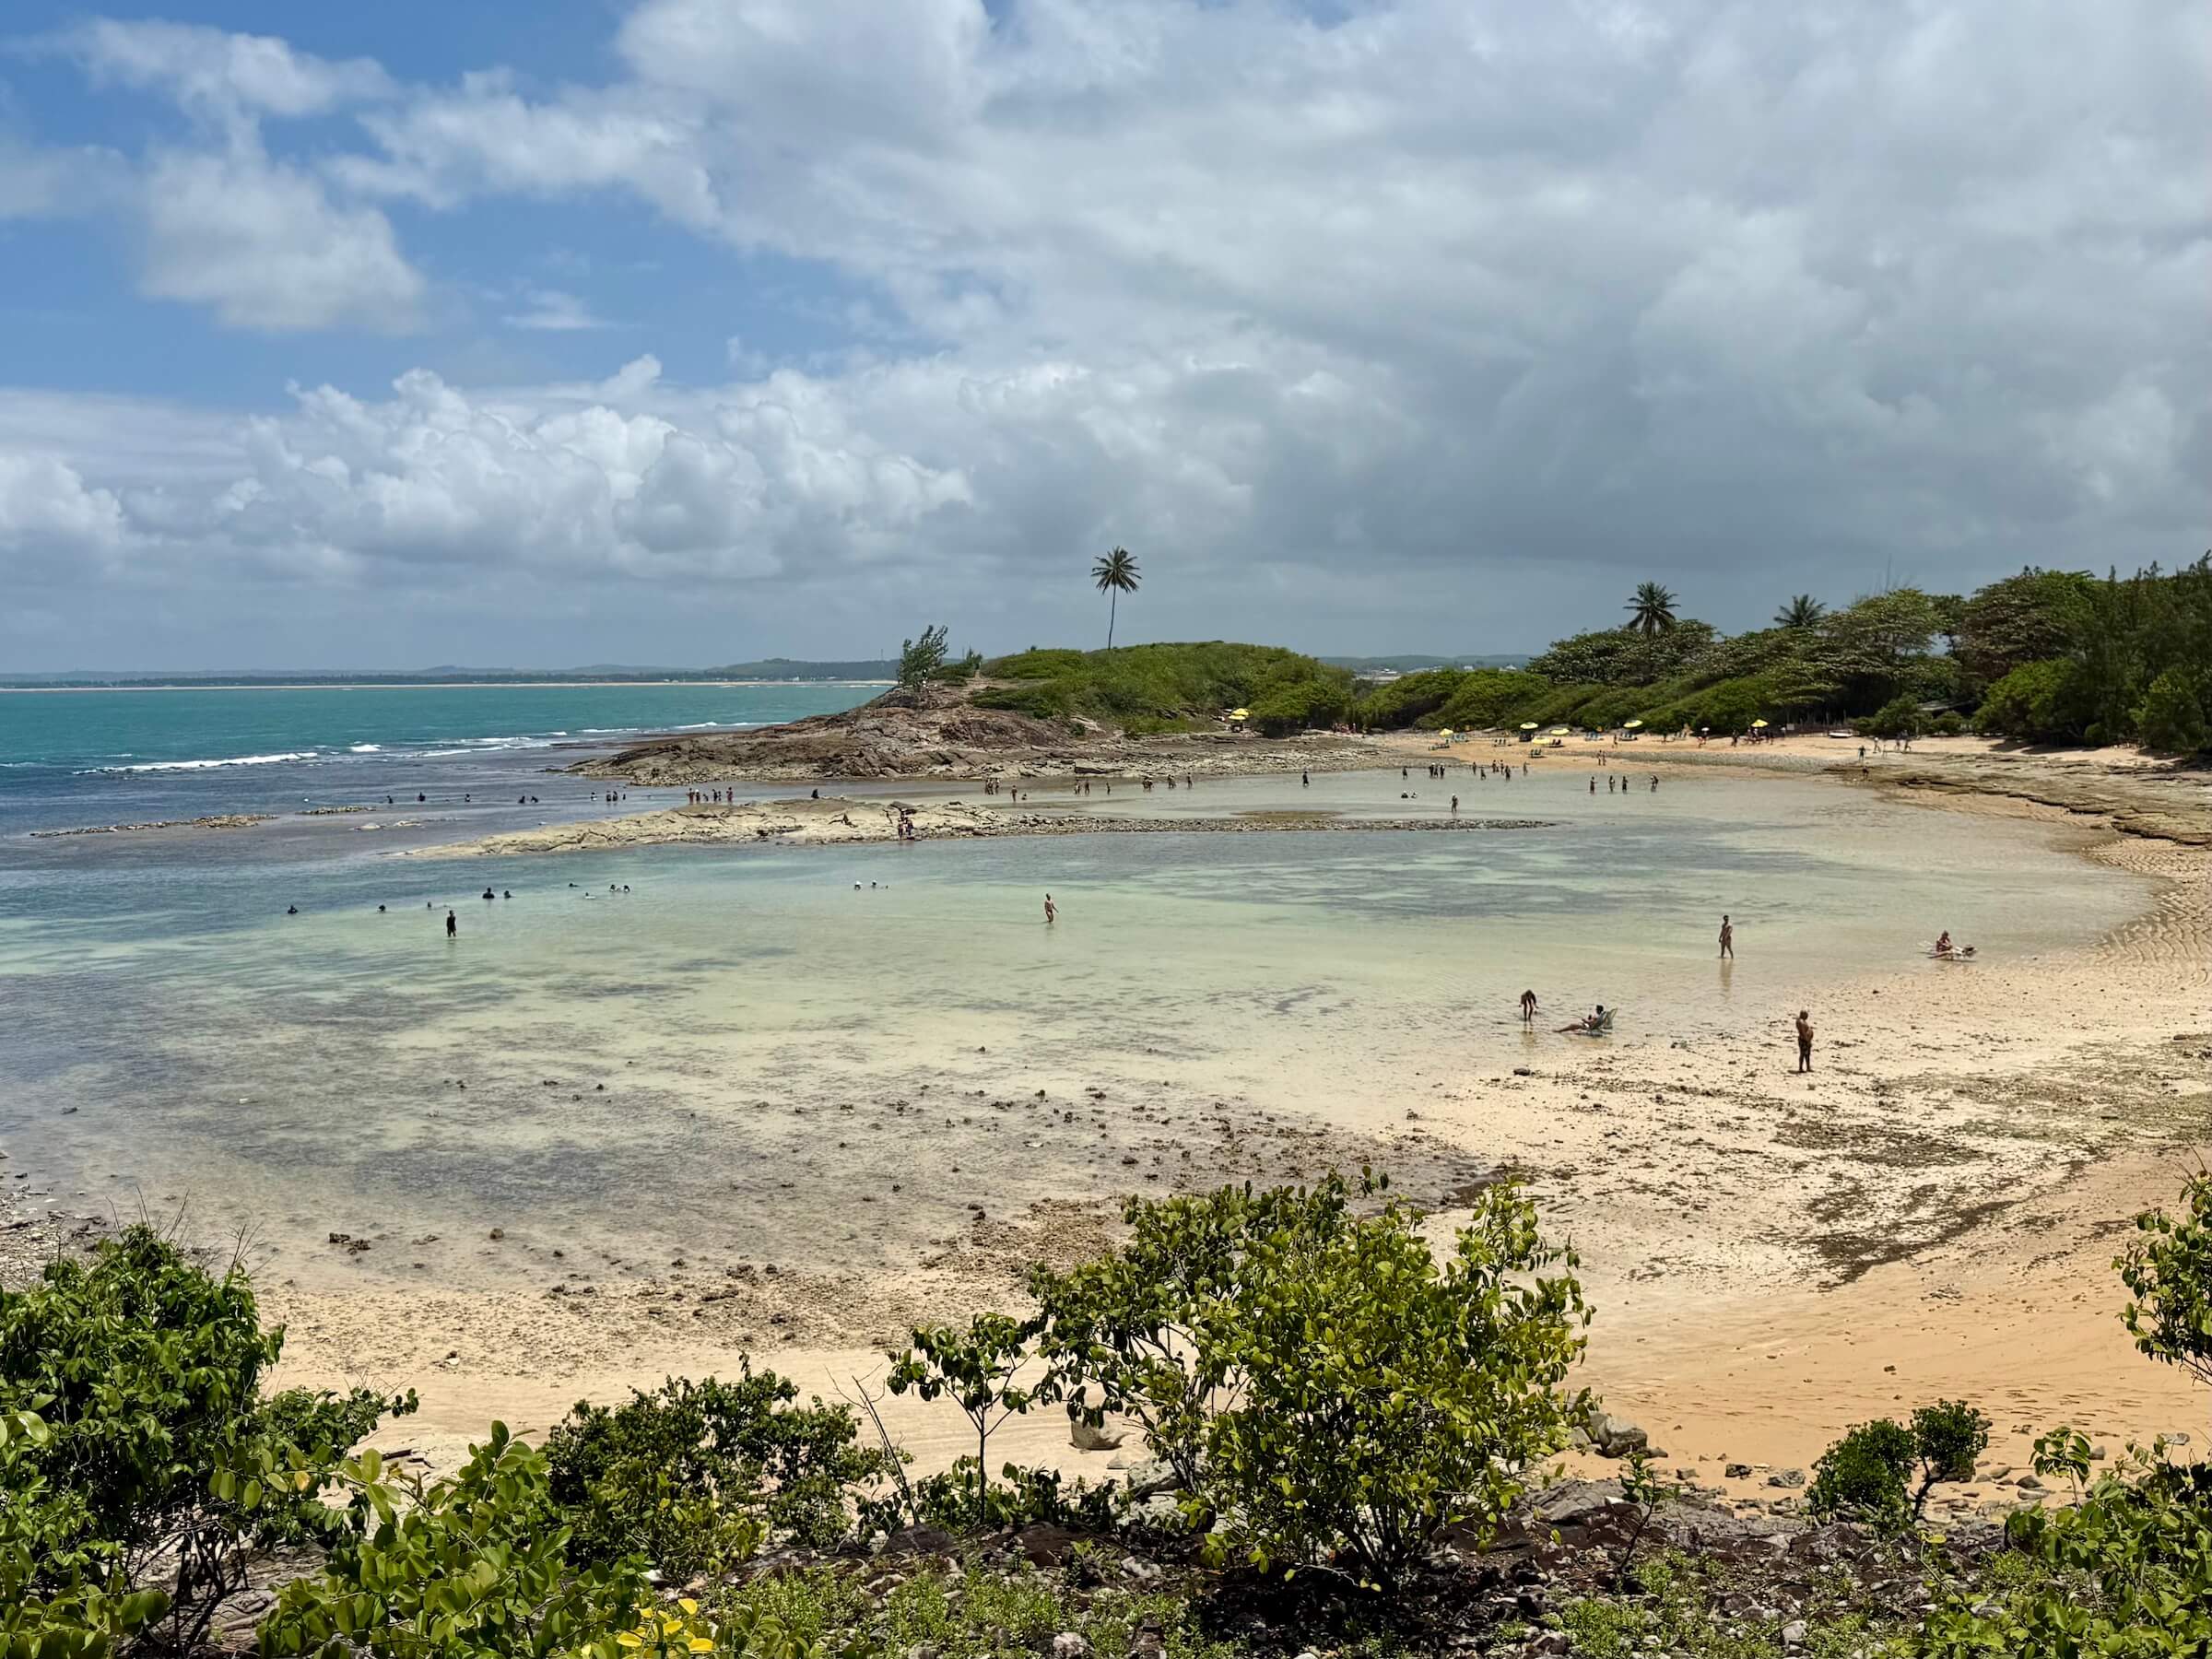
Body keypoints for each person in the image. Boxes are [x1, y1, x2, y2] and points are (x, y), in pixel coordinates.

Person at [1794, 1009, 1815, 1073]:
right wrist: (1807, 1040)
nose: (1807, 1016)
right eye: (1806, 1015)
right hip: (1804, 1040)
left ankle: (1808, 1067)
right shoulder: (1801, 1022)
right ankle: (1801, 1068)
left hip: (1805, 1039)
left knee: (1807, 1054)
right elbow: (1803, 1032)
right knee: (1803, 1054)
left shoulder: (1801, 1021)